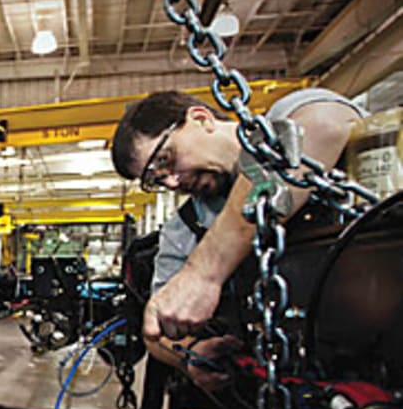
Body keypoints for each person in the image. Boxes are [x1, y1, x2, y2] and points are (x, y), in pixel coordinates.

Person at [111, 88, 365, 388]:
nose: (172, 181)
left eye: (166, 160)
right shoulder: (183, 229)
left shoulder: (284, 119)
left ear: (201, 119)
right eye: (156, 180)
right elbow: (157, 333)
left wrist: (203, 273)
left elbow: (324, 125)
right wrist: (192, 353)